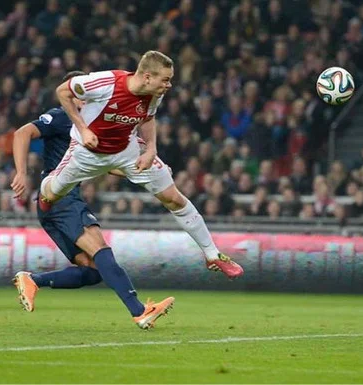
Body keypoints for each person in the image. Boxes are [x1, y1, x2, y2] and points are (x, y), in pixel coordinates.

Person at [39, 50, 244, 279]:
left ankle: (212, 253)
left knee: (173, 197)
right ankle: (44, 191)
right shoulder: (104, 82)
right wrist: (83, 128)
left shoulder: (154, 92)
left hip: (127, 151)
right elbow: (62, 91)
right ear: (147, 76)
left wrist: (151, 149)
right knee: (51, 194)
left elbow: (148, 117)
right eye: (165, 80)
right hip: (87, 152)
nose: (169, 85)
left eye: (170, 80)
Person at [10, 71, 173, 330]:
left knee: (93, 270)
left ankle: (33, 280)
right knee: (101, 249)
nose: (90, 98)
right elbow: (21, 134)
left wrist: (143, 169)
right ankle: (140, 311)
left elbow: (110, 166)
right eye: (83, 94)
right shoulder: (62, 117)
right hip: (61, 199)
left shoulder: (93, 124)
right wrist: (21, 172)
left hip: (58, 205)